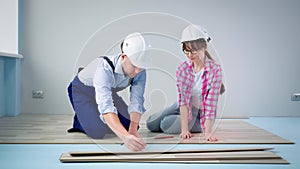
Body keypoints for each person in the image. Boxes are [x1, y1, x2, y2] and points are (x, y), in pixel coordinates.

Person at [67, 32, 150, 151]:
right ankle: (80, 119)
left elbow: (137, 100)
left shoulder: (140, 71)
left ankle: (92, 113)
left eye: (141, 66)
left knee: (129, 125)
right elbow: (106, 107)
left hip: (107, 92)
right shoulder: (104, 67)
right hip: (81, 90)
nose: (138, 71)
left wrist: (131, 131)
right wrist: (125, 137)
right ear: (123, 57)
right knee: (97, 131)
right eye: (134, 65)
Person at [146, 24, 225, 142]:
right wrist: (184, 129)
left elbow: (210, 105)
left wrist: (208, 133)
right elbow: (183, 101)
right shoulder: (183, 69)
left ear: (204, 47)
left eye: (193, 51)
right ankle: (172, 118)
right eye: (186, 51)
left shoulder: (215, 70)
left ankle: (180, 122)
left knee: (165, 124)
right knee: (150, 123)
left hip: (199, 115)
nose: (189, 55)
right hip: (183, 106)